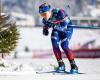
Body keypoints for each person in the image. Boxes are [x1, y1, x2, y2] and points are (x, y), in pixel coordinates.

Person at [39, 3, 78, 74]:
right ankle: (61, 65)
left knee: (64, 45)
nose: (43, 16)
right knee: (55, 44)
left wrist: (55, 25)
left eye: (44, 14)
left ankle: (74, 66)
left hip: (67, 29)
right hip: (57, 30)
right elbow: (46, 27)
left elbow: (64, 26)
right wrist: (45, 30)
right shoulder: (44, 20)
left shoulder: (59, 12)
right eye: (41, 14)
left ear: (49, 12)